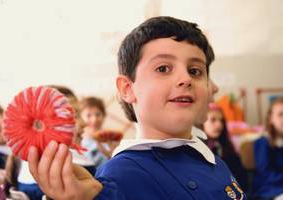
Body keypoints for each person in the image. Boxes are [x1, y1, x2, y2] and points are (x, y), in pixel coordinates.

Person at [28, 16, 246, 200]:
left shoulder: (211, 159)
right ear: (127, 88)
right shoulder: (118, 177)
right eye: (163, 68)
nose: (185, 78)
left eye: (195, 71)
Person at [203, 102, 248, 193]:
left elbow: (241, 177)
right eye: (213, 120)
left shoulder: (226, 147)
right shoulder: (197, 150)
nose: (219, 125)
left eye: (221, 121)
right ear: (201, 123)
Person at [252, 97, 283, 199]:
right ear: (271, 119)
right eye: (280, 115)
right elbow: (265, 174)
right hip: (269, 189)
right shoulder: (263, 142)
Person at [80, 97, 121, 169]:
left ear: (104, 115)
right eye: (88, 115)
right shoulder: (78, 142)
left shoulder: (112, 140)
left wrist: (114, 153)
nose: (94, 120)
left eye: (97, 114)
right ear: (80, 118)